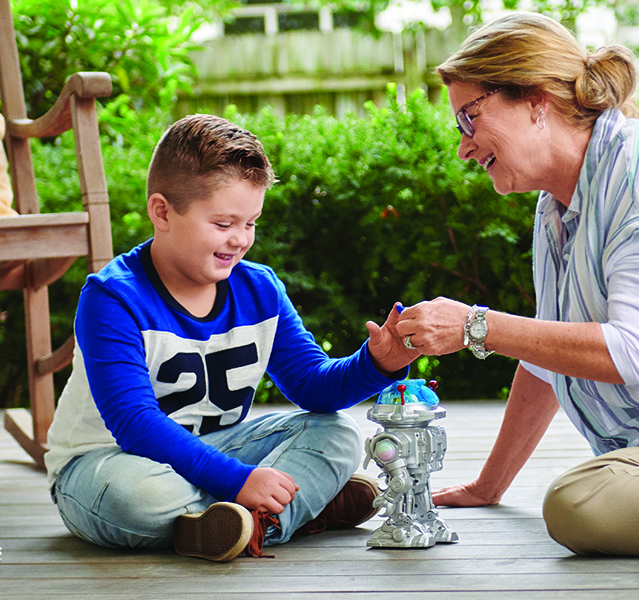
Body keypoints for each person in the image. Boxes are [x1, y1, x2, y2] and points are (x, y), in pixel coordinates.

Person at [394, 12, 639, 577]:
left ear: (536, 100)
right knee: (575, 506)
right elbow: (545, 358)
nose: (463, 147)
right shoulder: (555, 208)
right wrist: (489, 486)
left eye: (469, 117)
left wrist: (474, 325)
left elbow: (632, 351)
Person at [45, 114, 416, 562]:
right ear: (162, 212)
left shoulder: (260, 289)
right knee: (134, 498)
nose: (240, 240)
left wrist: (377, 362)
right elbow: (133, 422)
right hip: (108, 461)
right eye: (224, 224)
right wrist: (238, 480)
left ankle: (234, 525)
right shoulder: (112, 297)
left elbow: (312, 386)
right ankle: (294, 509)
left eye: (251, 223)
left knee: (338, 433)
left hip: (220, 447)